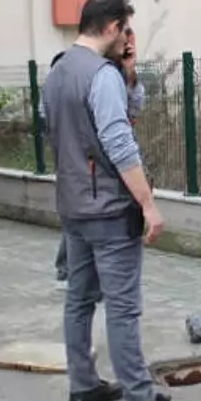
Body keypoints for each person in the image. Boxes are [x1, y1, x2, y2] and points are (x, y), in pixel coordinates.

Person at [42, 0, 194, 401]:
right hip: (109, 209)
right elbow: (119, 139)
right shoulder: (100, 75)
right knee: (123, 308)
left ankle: (83, 385)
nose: (128, 37)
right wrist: (148, 204)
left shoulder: (57, 71)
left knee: (79, 301)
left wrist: (128, 73)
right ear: (110, 28)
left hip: (72, 207)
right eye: (125, 29)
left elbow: (56, 124)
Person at [50, 28, 145, 288]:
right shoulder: (79, 70)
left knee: (82, 295)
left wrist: (129, 70)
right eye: (124, 38)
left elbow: (134, 108)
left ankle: (80, 277)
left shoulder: (114, 74)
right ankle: (65, 270)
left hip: (108, 176)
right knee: (84, 224)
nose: (127, 44)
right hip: (86, 171)